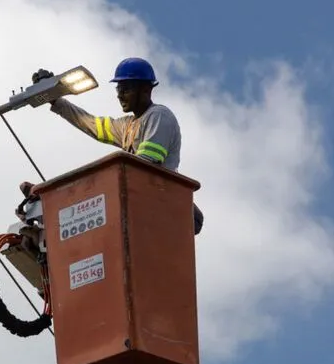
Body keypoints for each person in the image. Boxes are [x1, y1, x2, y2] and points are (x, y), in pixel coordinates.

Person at [23, 57, 204, 234]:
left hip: (160, 197)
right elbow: (92, 125)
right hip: (140, 197)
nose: (119, 94)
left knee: (97, 193)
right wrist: (56, 100)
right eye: (118, 88)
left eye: (126, 89)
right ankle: (50, 212)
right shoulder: (128, 125)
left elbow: (144, 166)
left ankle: (54, 204)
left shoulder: (159, 116)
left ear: (145, 89)